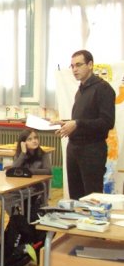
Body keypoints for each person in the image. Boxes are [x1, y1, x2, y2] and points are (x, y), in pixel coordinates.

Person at [56, 49, 116, 199]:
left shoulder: (103, 89)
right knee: (75, 197)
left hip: (92, 150)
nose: (74, 69)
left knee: (92, 198)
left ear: (90, 65)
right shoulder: (80, 91)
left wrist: (77, 123)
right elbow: (82, 120)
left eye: (78, 65)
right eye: (72, 66)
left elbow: (107, 122)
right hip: (74, 148)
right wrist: (65, 123)